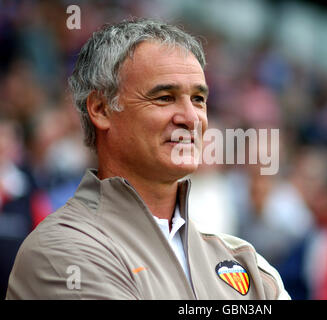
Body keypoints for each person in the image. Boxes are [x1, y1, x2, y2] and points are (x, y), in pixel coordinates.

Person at [6, 18, 290, 300]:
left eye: (199, 99)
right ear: (101, 109)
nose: (191, 118)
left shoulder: (247, 262)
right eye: (165, 97)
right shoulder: (62, 251)